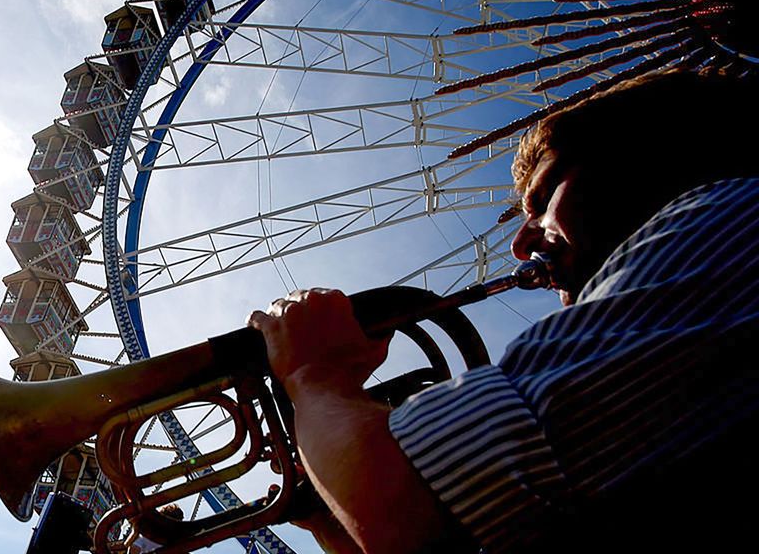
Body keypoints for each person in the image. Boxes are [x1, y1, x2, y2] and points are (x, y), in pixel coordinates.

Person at [248, 68, 759, 553]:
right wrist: (331, 505)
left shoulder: (735, 220)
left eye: (540, 203)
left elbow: (411, 508)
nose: (520, 243)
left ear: (646, 155)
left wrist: (313, 377)